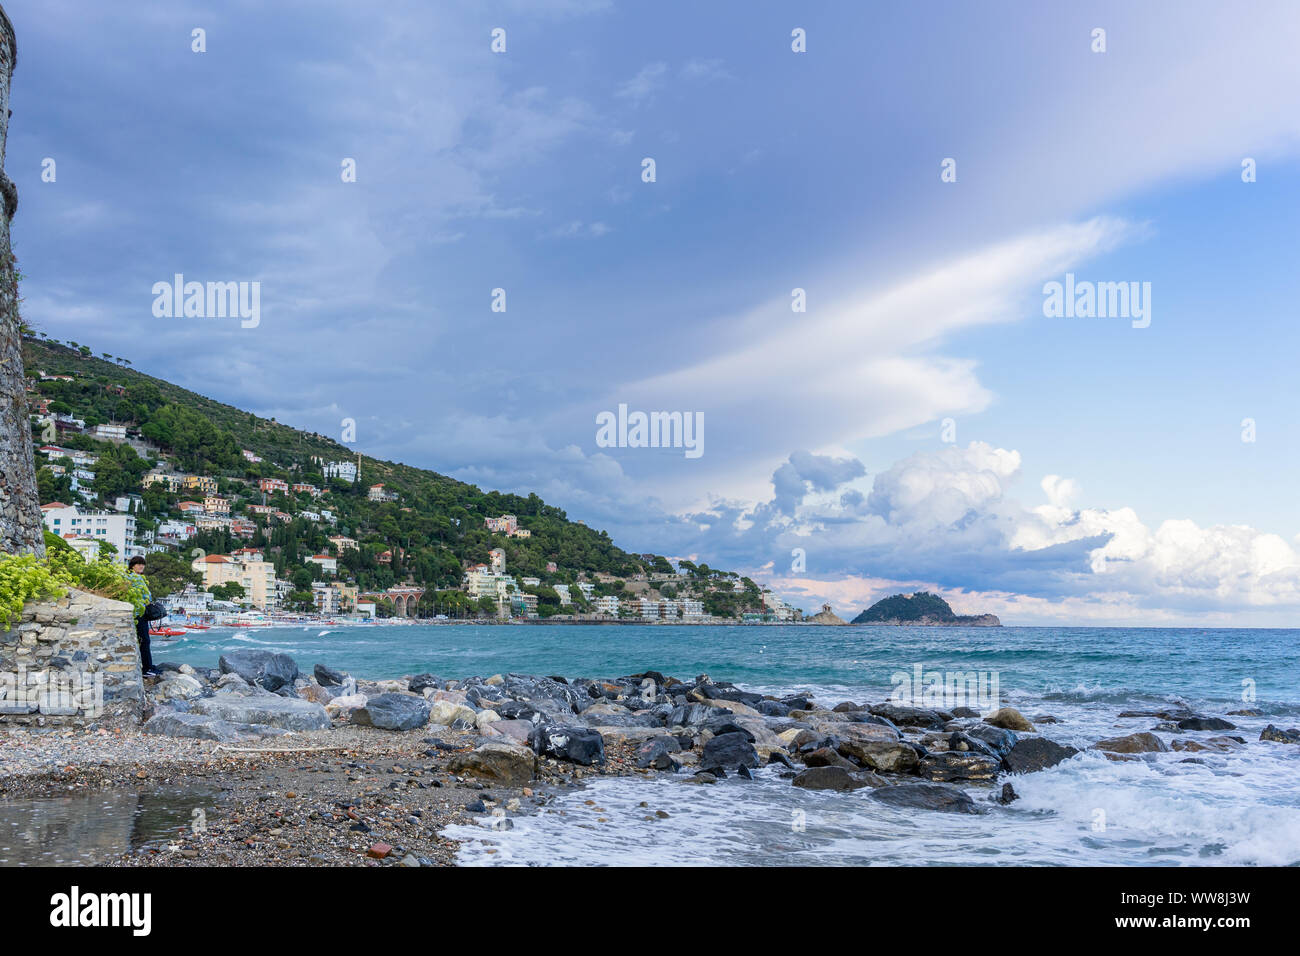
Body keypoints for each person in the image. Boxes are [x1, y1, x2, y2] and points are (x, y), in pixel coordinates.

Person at [126, 556, 159, 678]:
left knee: (143, 641)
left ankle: (147, 666)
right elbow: (144, 596)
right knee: (145, 640)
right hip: (138, 613)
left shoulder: (135, 577)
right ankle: (147, 668)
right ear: (132, 565)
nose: (141, 566)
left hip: (139, 613)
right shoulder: (133, 578)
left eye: (142, 564)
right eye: (138, 564)